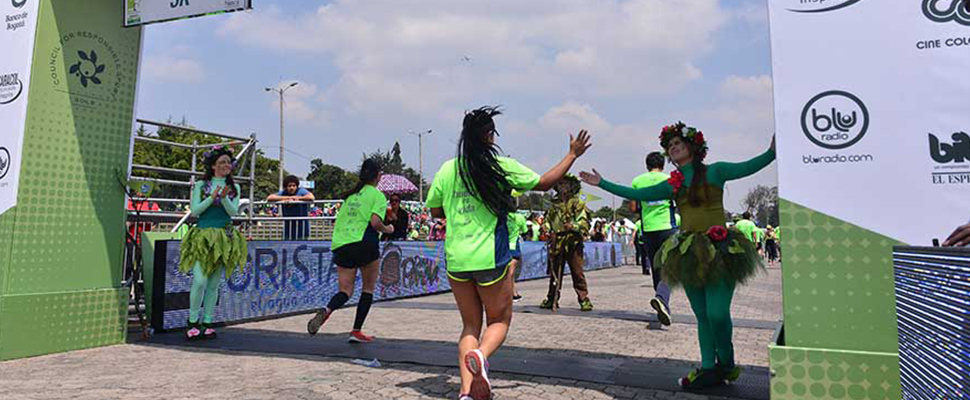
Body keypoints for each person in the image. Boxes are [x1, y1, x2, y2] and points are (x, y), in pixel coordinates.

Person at [581, 122, 774, 389]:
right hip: (688, 252)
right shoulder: (673, 184)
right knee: (703, 315)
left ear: (693, 147)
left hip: (721, 249)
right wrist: (601, 183)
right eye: (670, 146)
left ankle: (726, 363)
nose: (673, 148)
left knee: (717, 313)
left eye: (678, 144)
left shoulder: (716, 171)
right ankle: (708, 367)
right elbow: (637, 194)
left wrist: (772, 152)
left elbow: (748, 166)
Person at [426, 106, 591, 400]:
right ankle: (481, 355)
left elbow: (436, 209)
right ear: (490, 136)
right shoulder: (500, 166)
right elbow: (544, 183)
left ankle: (465, 393)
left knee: (469, 326)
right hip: (491, 257)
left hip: (457, 259)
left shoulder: (447, 169)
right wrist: (572, 155)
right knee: (499, 321)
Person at [307, 159, 395, 343]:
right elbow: (375, 223)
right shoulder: (377, 195)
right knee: (368, 289)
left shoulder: (350, 196)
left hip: (341, 244)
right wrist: (388, 229)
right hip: (364, 242)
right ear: (378, 176)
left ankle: (327, 309)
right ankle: (356, 331)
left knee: (345, 291)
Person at [179, 146, 248, 340]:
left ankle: (207, 322)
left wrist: (224, 197)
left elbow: (234, 212)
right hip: (203, 235)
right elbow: (195, 211)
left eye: (228, 162)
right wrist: (212, 197)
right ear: (213, 166)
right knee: (200, 280)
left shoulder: (235, 188)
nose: (226, 165)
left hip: (224, 237)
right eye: (222, 162)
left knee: (214, 284)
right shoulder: (201, 185)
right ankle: (192, 321)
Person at [632, 151, 679, 326]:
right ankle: (662, 299)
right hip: (667, 227)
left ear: (647, 165)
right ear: (663, 164)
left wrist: (646, 207)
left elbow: (633, 207)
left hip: (648, 230)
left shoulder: (637, 181)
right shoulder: (670, 179)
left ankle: (663, 303)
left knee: (656, 268)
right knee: (670, 268)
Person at [540, 175, 593, 312]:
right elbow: (548, 219)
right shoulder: (554, 203)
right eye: (560, 183)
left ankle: (584, 299)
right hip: (557, 239)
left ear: (571, 186)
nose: (563, 186)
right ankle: (552, 298)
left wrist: (574, 226)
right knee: (555, 272)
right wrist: (545, 226)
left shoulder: (578, 202)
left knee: (577, 271)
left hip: (573, 240)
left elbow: (584, 222)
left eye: (566, 184)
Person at [267, 175, 315, 240]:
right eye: (289, 186)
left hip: (302, 229)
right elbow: (270, 198)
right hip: (288, 230)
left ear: (297, 186)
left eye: (294, 185)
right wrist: (288, 198)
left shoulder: (301, 191)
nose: (292, 188)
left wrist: (298, 198)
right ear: (286, 187)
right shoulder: (283, 193)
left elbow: (311, 197)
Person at [508, 211, 529, 302]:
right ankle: (508, 294)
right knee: (510, 272)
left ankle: (514, 293)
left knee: (509, 272)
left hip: (501, 246)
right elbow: (525, 231)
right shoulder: (519, 217)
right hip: (513, 246)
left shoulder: (500, 215)